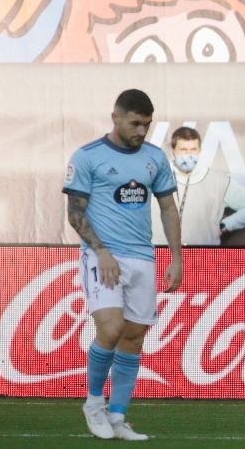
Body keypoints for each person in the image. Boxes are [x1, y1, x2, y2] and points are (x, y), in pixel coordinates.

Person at [64, 89, 183, 440]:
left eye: (147, 124)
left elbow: (168, 208)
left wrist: (176, 257)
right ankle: (93, 403)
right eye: (135, 124)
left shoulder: (155, 158)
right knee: (111, 328)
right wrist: (101, 252)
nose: (141, 131)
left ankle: (117, 417)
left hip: (143, 258)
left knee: (133, 337)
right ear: (115, 117)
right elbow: (75, 213)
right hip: (103, 255)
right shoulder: (87, 156)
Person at [151, 126, 245, 246]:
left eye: (193, 149)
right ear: (173, 152)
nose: (189, 154)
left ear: (199, 150)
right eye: (183, 150)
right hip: (163, 252)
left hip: (203, 253)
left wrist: (225, 225)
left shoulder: (218, 180)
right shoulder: (155, 179)